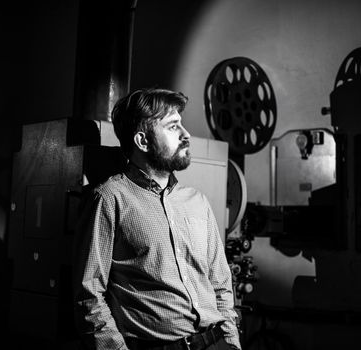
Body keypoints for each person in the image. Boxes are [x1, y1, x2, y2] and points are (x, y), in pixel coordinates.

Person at [73, 87, 242, 350]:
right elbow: (89, 294)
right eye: (173, 127)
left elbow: (221, 282)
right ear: (143, 141)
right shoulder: (110, 199)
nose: (186, 135)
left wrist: (231, 342)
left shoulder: (197, 201)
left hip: (214, 342)